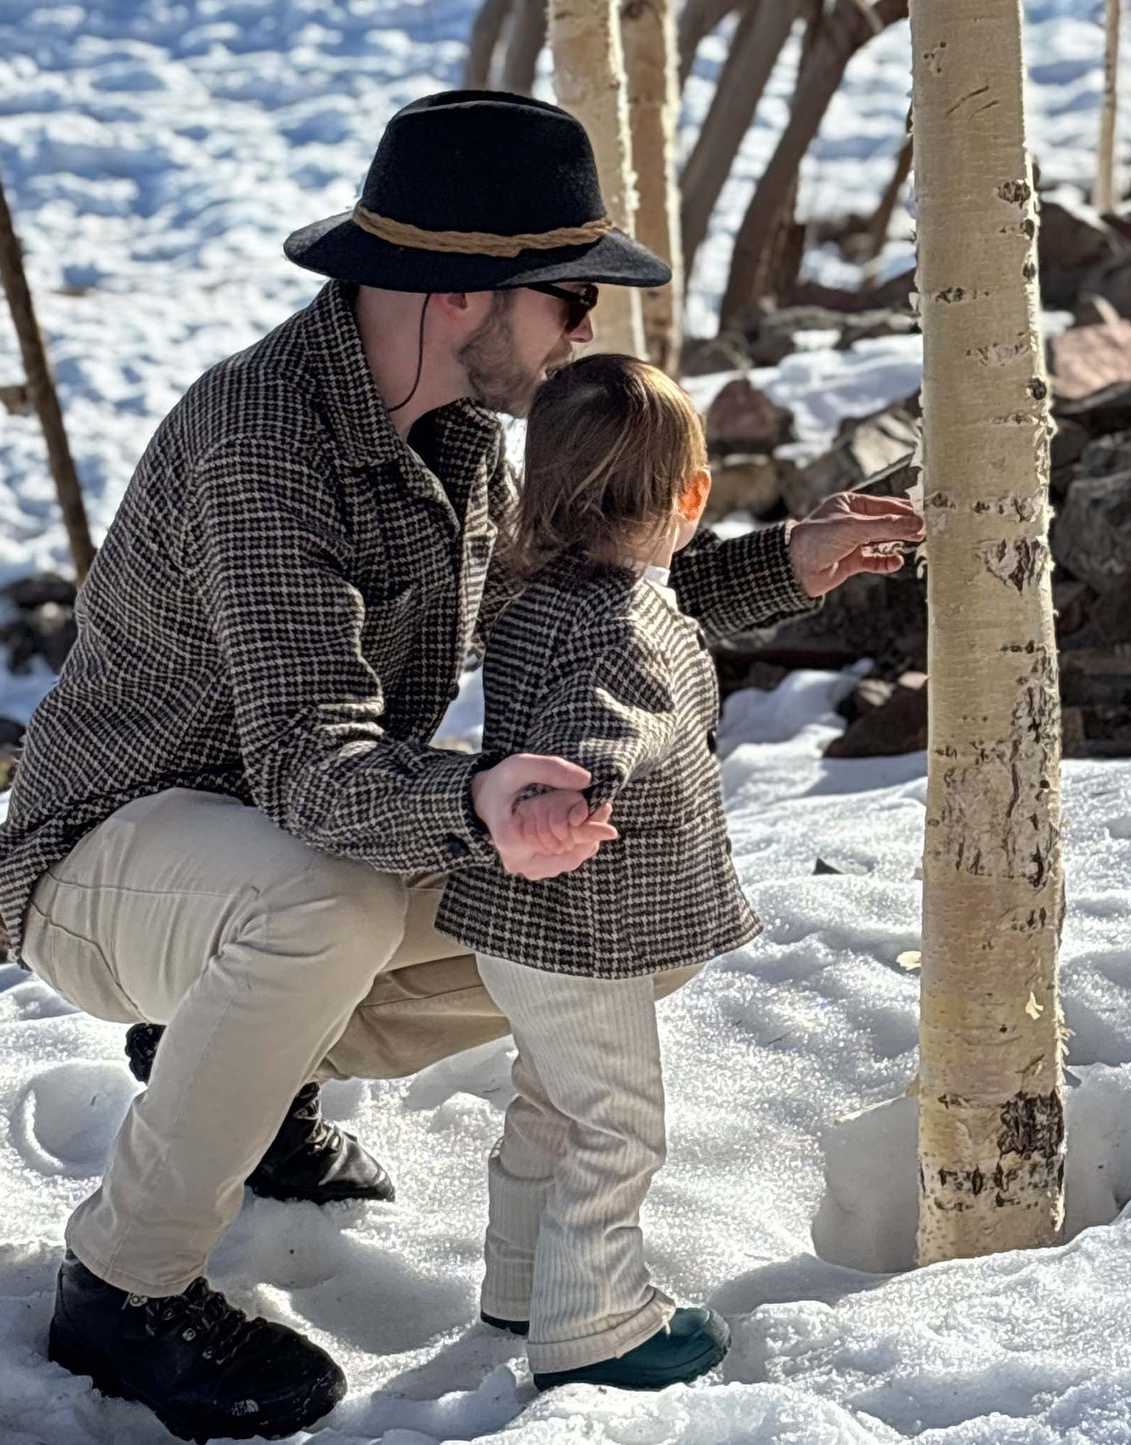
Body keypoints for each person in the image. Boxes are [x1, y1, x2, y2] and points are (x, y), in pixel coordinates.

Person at [0, 90, 923, 1442]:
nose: (589, 329)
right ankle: (122, 1285)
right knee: (333, 901)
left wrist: (790, 560)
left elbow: (579, 603)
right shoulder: (265, 442)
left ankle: (249, 1062)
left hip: (275, 847)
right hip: (99, 852)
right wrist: (481, 795)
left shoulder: (463, 437)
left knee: (623, 889)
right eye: (570, 295)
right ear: (465, 295)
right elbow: (312, 769)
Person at [439, 352, 747, 1391]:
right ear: (690, 495)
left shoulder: (536, 595)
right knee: (616, 1126)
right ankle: (596, 1325)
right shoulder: (623, 625)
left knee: (550, 1100)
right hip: (586, 934)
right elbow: (599, 719)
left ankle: (521, 1281)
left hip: (520, 929)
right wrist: (573, 788)